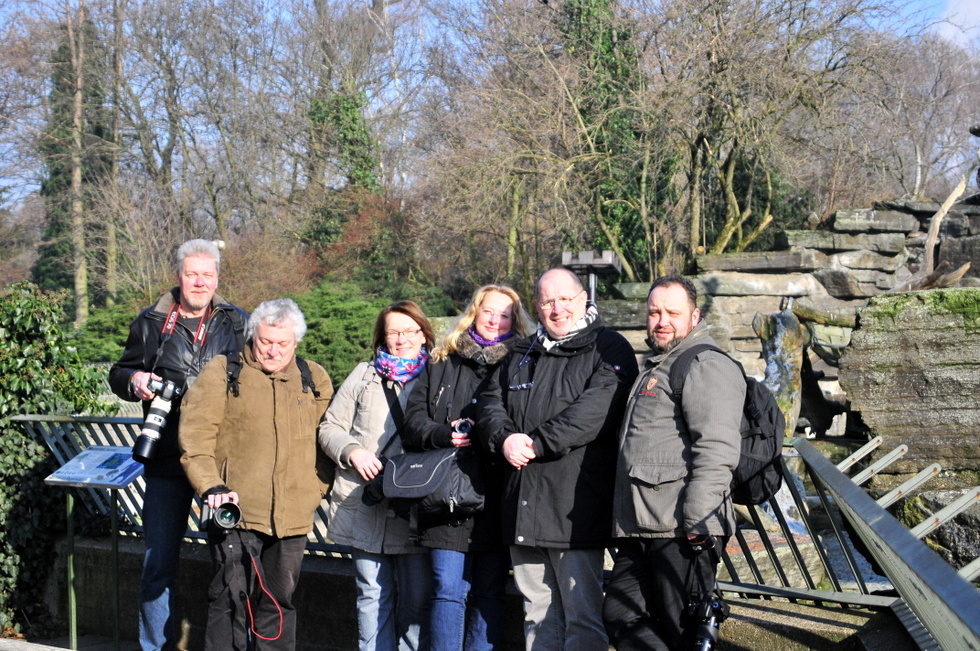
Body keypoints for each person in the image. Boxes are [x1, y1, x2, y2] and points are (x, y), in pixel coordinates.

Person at [475, 268, 638, 651]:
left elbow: (592, 415)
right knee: (536, 617)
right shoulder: (520, 352)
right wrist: (504, 439)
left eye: (565, 299)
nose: (557, 308)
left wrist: (532, 444)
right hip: (522, 506)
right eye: (548, 301)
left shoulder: (609, 348)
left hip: (575, 512)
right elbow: (489, 403)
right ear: (537, 306)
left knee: (582, 620)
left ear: (584, 299)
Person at [109, 239, 247, 651]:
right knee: (157, 563)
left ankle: (223, 645)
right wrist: (133, 381)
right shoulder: (150, 321)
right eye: (192, 274)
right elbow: (121, 371)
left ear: (218, 278)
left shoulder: (237, 321)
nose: (200, 282)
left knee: (228, 563)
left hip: (219, 460)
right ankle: (155, 647)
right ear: (178, 277)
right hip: (167, 454)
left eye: (207, 274)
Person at [178, 298, 333, 650]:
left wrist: (316, 489)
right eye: (265, 341)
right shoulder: (223, 370)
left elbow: (328, 438)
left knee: (278, 606)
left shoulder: (314, 377)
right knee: (229, 601)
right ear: (252, 336)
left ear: (296, 342)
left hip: (292, 516)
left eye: (283, 343)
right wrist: (211, 486)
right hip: (235, 512)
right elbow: (195, 437)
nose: (273, 351)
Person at [603, 275, 744, 651]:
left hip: (682, 528)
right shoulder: (659, 364)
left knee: (683, 630)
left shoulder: (705, 363)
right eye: (654, 312)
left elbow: (717, 446)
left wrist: (700, 517)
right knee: (620, 614)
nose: (661, 320)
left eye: (672, 312)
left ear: (694, 316)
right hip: (645, 524)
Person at [402, 285, 535, 651]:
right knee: (448, 590)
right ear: (474, 312)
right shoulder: (443, 359)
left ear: (515, 320)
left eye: (505, 314)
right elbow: (413, 419)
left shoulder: (525, 362)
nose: (495, 320)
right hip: (447, 493)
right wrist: (443, 434)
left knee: (489, 590)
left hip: (499, 493)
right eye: (488, 311)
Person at [318, 300, 436, 651]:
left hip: (413, 508)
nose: (401, 340)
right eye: (392, 333)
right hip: (365, 503)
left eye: (408, 331)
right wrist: (352, 451)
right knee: (371, 595)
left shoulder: (439, 376)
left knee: (416, 601)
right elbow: (330, 427)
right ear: (382, 337)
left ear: (423, 333)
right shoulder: (363, 375)